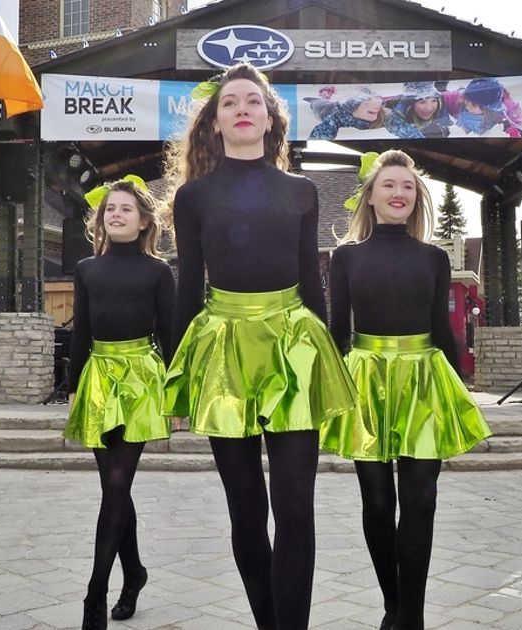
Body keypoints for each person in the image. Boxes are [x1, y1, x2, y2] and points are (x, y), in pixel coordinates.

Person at [163, 63, 356, 629]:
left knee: (295, 508)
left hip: (295, 348)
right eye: (229, 103)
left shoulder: (302, 190)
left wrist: (334, 365)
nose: (242, 108)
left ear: (272, 119)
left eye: (254, 100)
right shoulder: (194, 197)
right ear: (216, 123)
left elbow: (311, 278)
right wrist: (177, 384)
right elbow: (187, 286)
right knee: (246, 511)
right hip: (223, 349)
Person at [320, 150, 491, 630]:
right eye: (389, 185)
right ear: (370, 198)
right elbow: (337, 330)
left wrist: (458, 389)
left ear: (416, 200)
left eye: (408, 187)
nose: (399, 193)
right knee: (377, 500)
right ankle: (392, 605)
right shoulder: (346, 257)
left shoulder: (435, 258)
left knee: (422, 499)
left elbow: (443, 327)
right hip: (365, 381)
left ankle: (411, 617)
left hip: (423, 380)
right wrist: (327, 392)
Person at [64, 176, 174, 629]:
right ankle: (134, 574)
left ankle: (95, 595)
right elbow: (81, 331)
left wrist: (176, 394)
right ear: (102, 219)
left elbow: (169, 335)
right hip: (98, 379)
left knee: (115, 483)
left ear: (144, 220)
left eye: (126, 209)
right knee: (116, 488)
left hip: (141, 380)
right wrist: (73, 389)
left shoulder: (158, 271)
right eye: (111, 209)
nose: (117, 215)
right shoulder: (87, 269)